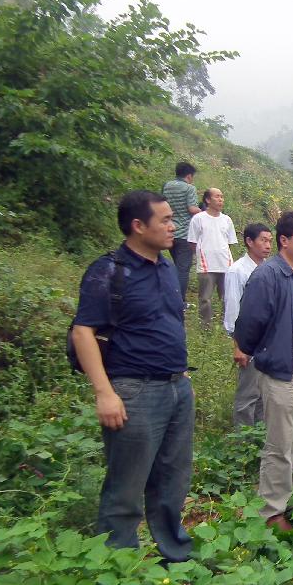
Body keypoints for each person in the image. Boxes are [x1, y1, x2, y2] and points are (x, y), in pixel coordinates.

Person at [70, 190, 194, 562]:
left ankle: (175, 553)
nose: (174, 226)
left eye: (174, 218)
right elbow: (83, 332)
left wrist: (182, 373)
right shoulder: (110, 270)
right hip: (134, 390)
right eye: (166, 220)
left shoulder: (167, 266)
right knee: (126, 486)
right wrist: (104, 392)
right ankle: (118, 566)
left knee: (173, 480)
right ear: (138, 226)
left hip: (176, 386)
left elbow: (169, 321)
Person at [233, 211, 293, 531]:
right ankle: (272, 511)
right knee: (280, 441)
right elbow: (248, 324)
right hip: (287, 365)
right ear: (283, 240)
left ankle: (292, 498)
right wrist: (263, 351)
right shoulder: (270, 274)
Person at [224, 223, 273, 428]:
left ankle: (259, 442)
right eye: (263, 240)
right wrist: (239, 346)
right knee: (248, 394)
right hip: (250, 341)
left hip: (269, 340)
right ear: (249, 242)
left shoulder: (269, 269)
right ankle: (241, 446)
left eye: (270, 241)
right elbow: (233, 310)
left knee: (264, 394)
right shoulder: (237, 271)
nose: (268, 245)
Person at [187, 187, 237, 329]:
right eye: (217, 196)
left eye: (222, 196)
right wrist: (202, 254)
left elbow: (229, 243)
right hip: (206, 265)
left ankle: (227, 326)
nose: (221, 199)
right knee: (205, 299)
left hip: (225, 264)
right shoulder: (198, 219)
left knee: (227, 298)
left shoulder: (227, 220)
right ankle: (206, 327)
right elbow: (192, 241)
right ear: (208, 200)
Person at [162, 162, 201, 303]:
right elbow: (192, 209)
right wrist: (204, 211)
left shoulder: (167, 186)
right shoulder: (189, 188)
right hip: (185, 234)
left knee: (177, 266)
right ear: (189, 176)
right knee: (183, 270)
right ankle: (179, 301)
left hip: (170, 232)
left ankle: (171, 296)